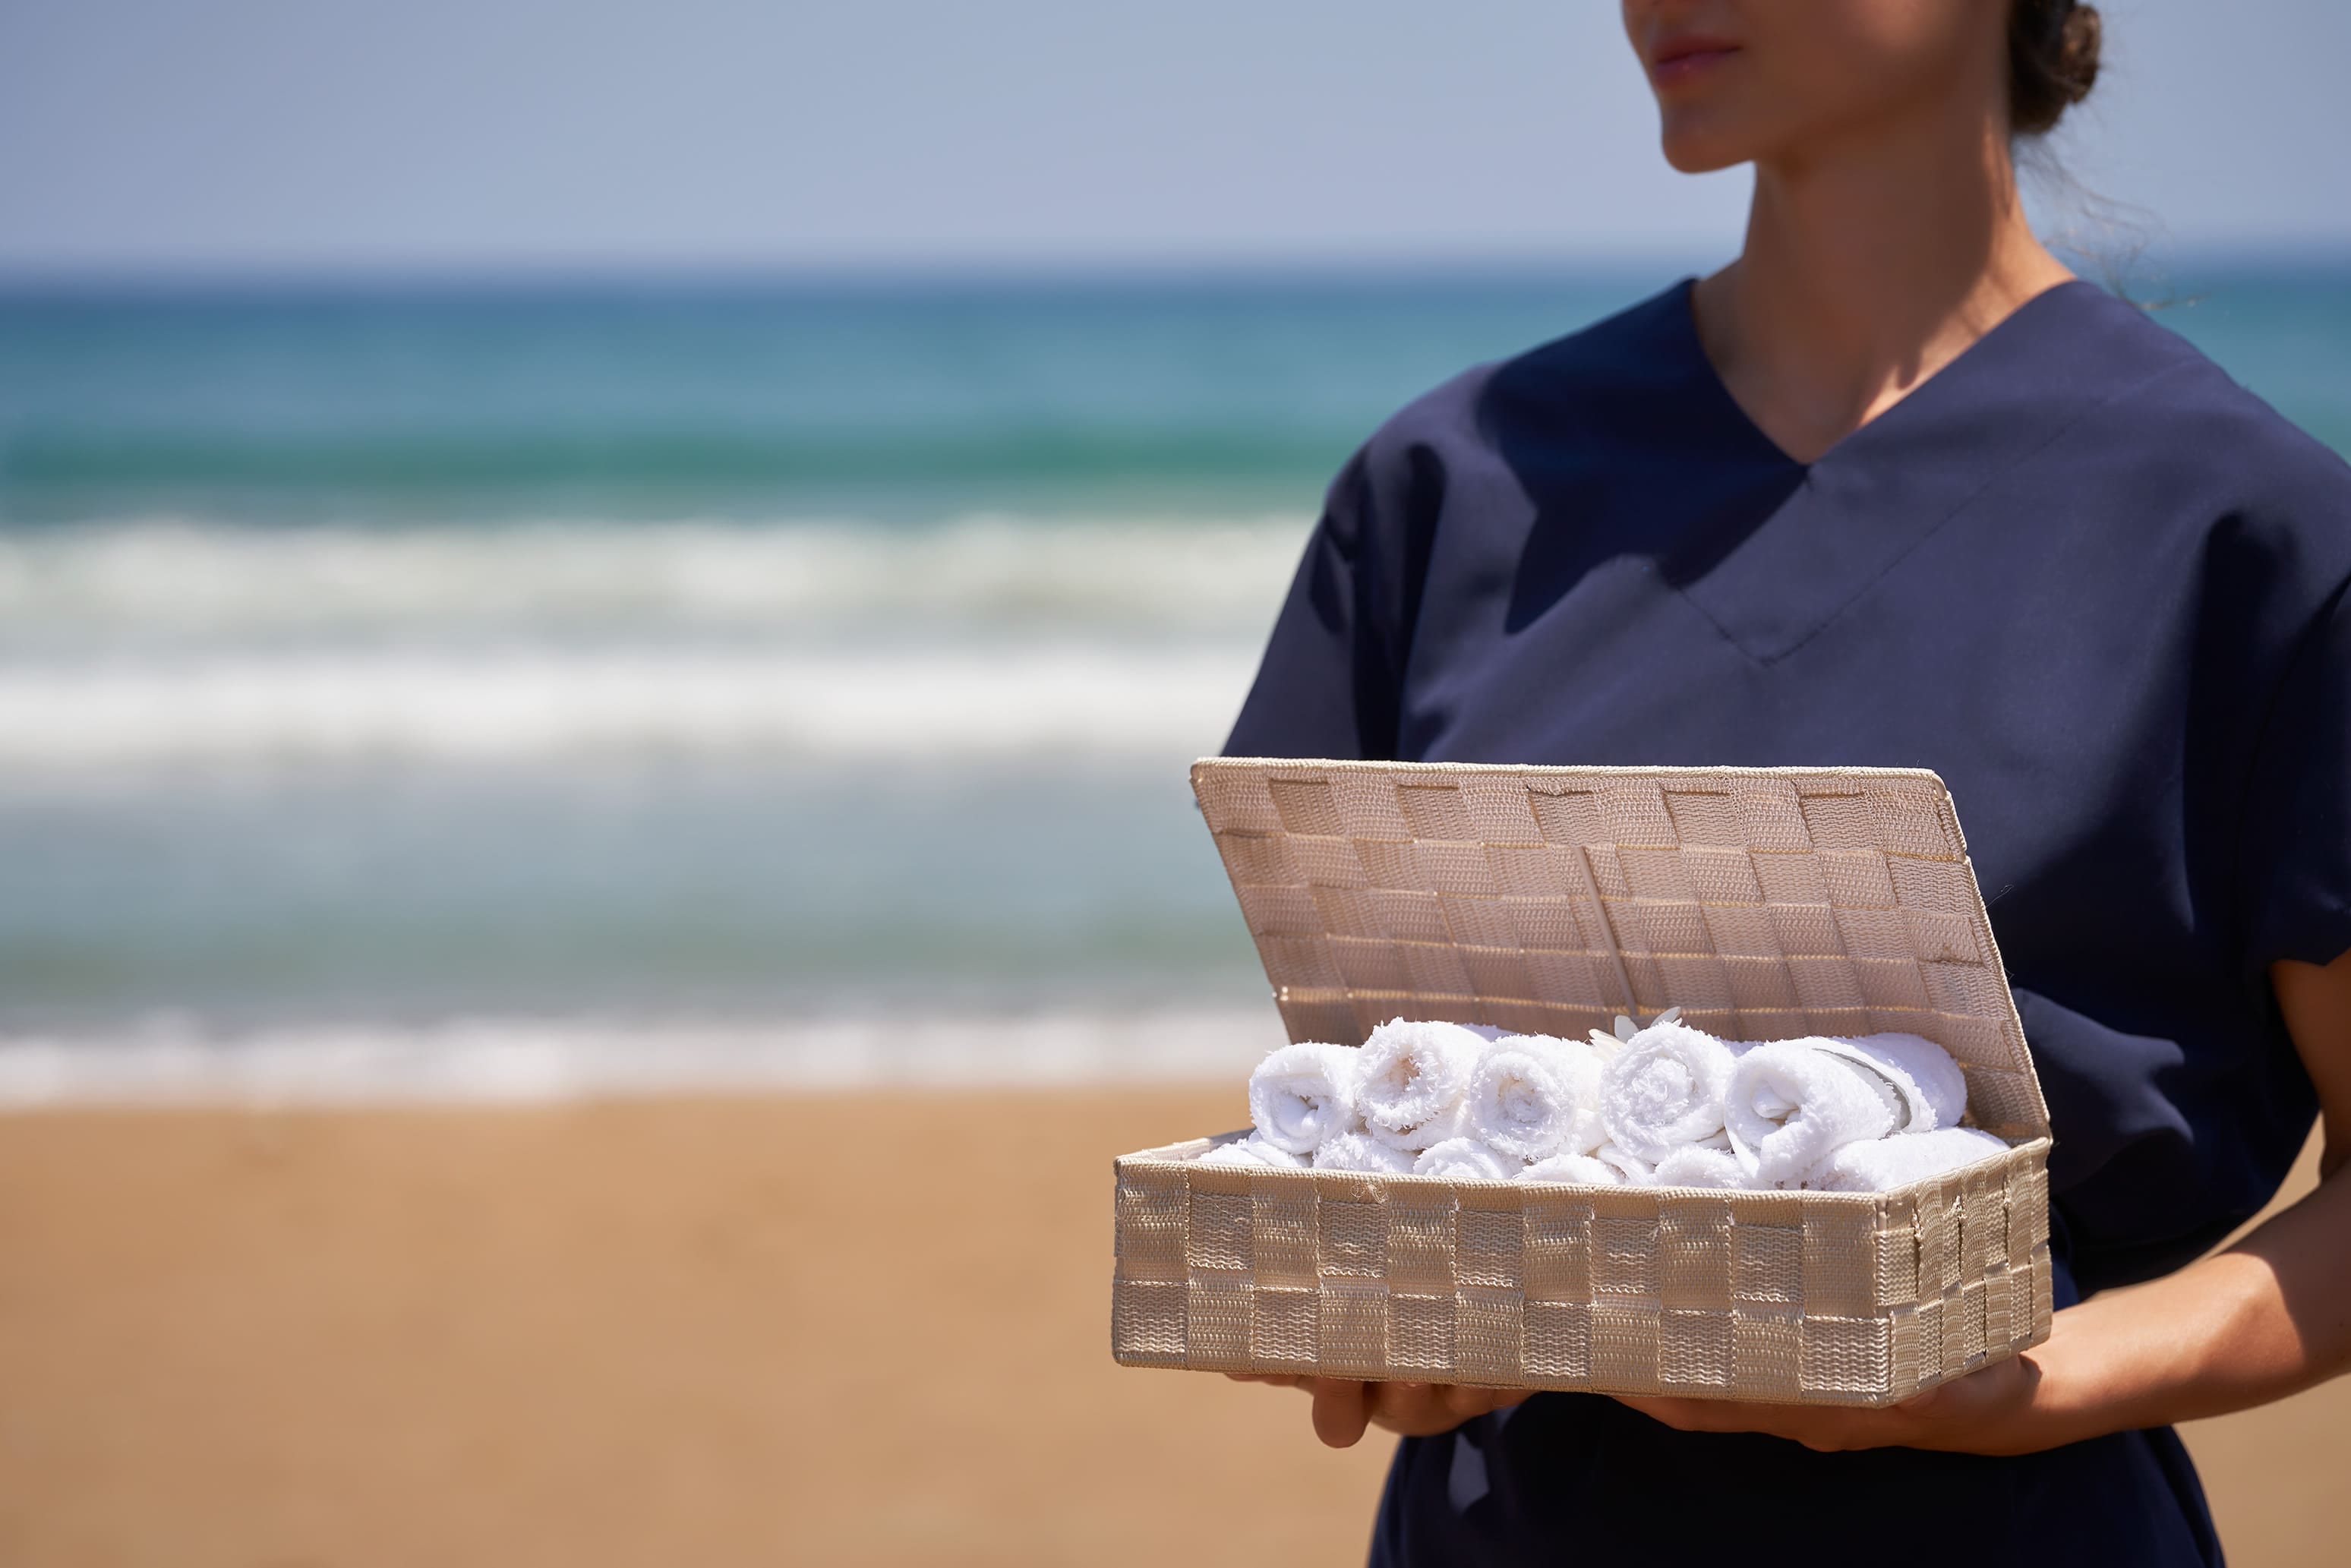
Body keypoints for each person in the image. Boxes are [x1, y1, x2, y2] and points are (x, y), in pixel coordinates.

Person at [1220, 2, 2351, 1563]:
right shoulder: (1451, 486)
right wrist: (1401, 1301)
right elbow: (1394, 1114)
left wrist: (2027, 1381)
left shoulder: (2258, 535)